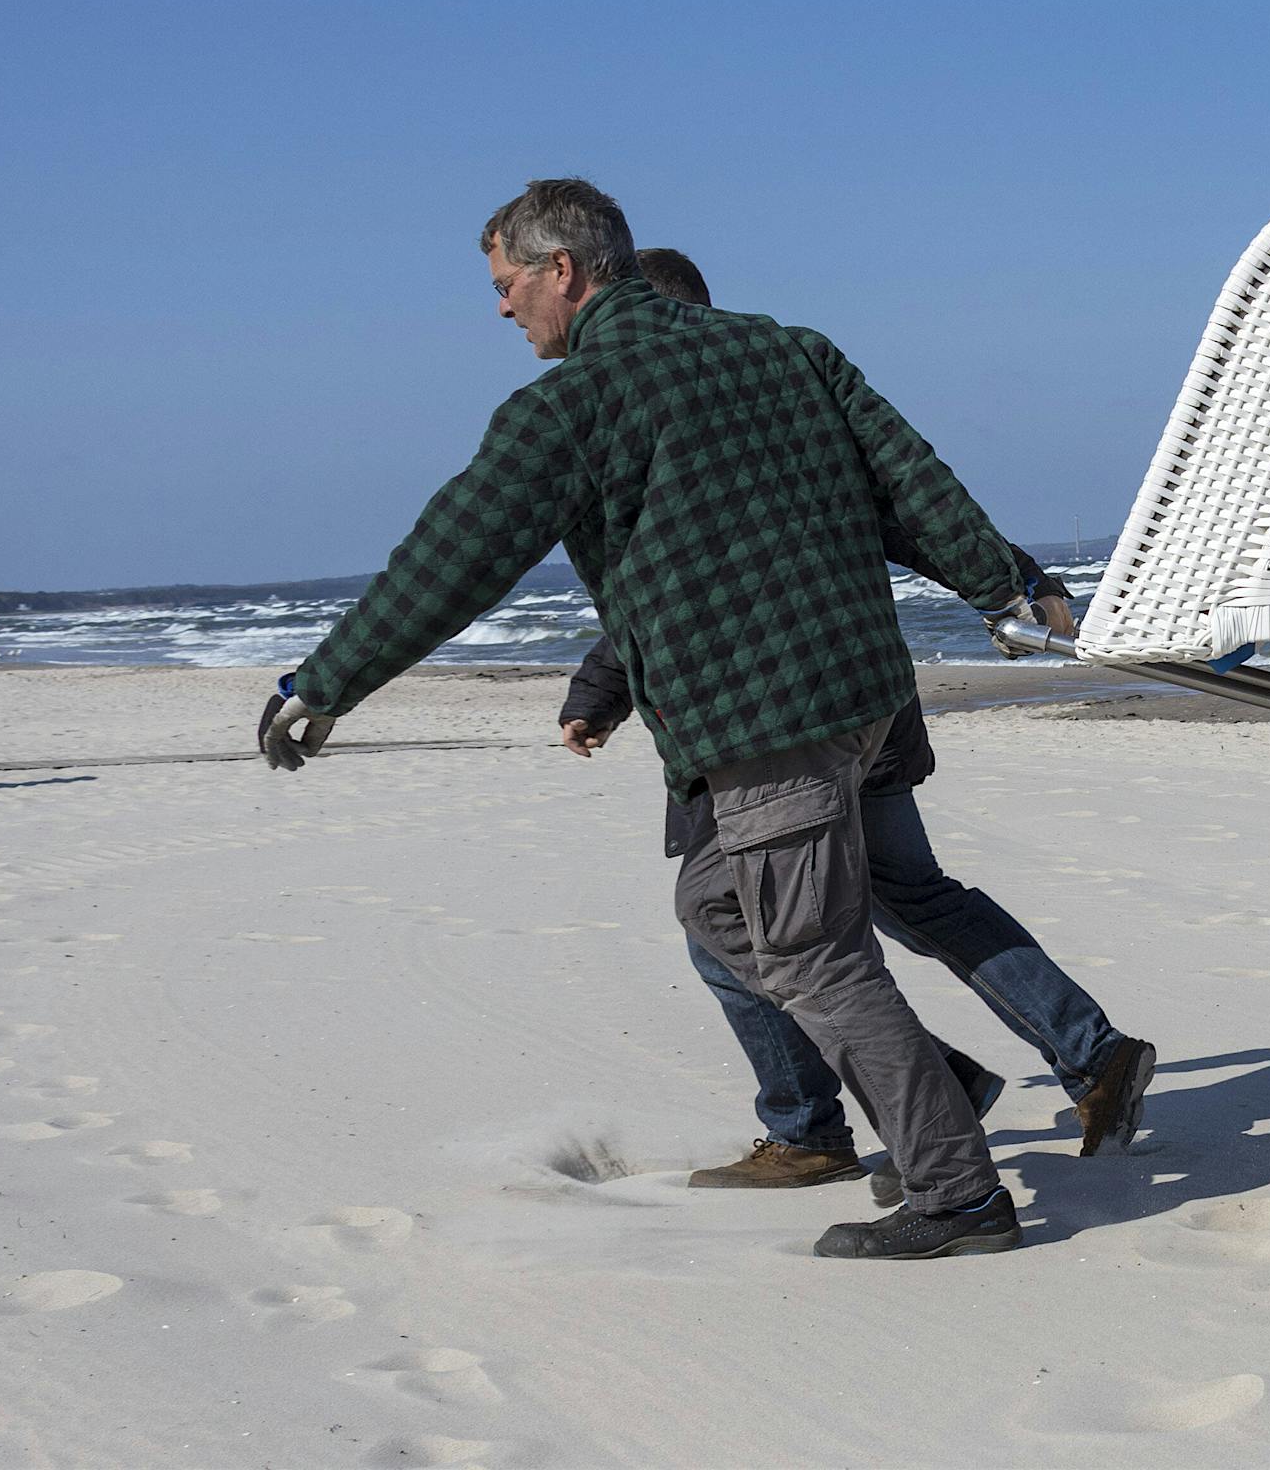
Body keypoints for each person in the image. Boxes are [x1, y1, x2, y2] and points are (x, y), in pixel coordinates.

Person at [262, 178, 1050, 1260]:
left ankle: (959, 1195)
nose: (500, 311)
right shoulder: (788, 349)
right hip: (866, 698)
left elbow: (454, 556)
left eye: (505, 286)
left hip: (768, 724)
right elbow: (911, 486)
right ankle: (927, 1083)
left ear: (563, 272)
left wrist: (325, 682)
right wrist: (1006, 584)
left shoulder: (574, 403)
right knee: (712, 900)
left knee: (814, 954)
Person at [559, 243, 1155, 1196]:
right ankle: (1090, 1052)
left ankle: (823, 1125)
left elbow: (669, 595)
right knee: (911, 898)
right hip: (866, 719)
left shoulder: (668, 421)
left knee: (736, 928)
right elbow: (908, 512)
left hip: (764, 735)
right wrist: (1014, 578)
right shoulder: (779, 413)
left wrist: (598, 692)